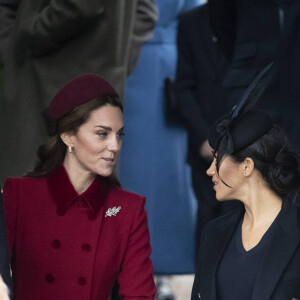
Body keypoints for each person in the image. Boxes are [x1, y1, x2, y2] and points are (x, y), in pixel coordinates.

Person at [2, 74, 155, 300]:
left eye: (119, 135)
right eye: (102, 134)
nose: (115, 146)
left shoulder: (126, 209)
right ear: (68, 136)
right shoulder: (20, 195)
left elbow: (139, 295)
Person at [0, 0, 158, 184]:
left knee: (42, 195)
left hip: (51, 82)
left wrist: (26, 35)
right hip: (62, 82)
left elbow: (80, 6)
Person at [191, 65, 300, 299]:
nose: (210, 171)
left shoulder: (296, 228)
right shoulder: (213, 233)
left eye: (217, 160)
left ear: (247, 166)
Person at [175, 1, 240, 256]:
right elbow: (183, 87)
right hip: (206, 146)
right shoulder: (191, 21)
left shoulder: (253, 18)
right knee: (208, 219)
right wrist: (204, 138)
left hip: (246, 142)